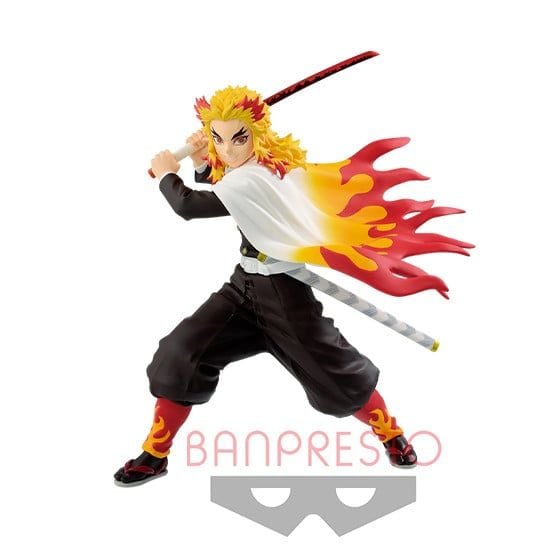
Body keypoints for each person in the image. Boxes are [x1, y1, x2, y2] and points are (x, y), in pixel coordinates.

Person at [114, 85, 422, 486]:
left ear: (257, 134)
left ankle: (391, 434)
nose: (228, 149)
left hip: (284, 295)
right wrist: (204, 160)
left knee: (336, 373)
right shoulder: (254, 168)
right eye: (219, 138)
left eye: (238, 138)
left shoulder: (261, 174)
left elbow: (191, 205)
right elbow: (225, 184)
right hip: (243, 288)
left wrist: (167, 174)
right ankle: (155, 454)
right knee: (181, 352)